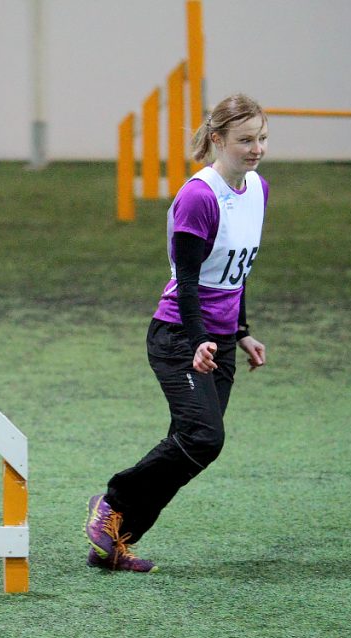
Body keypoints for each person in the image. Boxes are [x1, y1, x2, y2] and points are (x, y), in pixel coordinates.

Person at [85, 93, 270, 572]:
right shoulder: (198, 196)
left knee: (190, 445)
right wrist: (198, 339)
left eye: (262, 138)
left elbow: (237, 272)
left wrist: (241, 331)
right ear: (217, 140)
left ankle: (113, 544)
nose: (256, 149)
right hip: (178, 336)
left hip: (218, 340)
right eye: (246, 140)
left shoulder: (258, 190)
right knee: (204, 437)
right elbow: (187, 280)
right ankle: (113, 500)